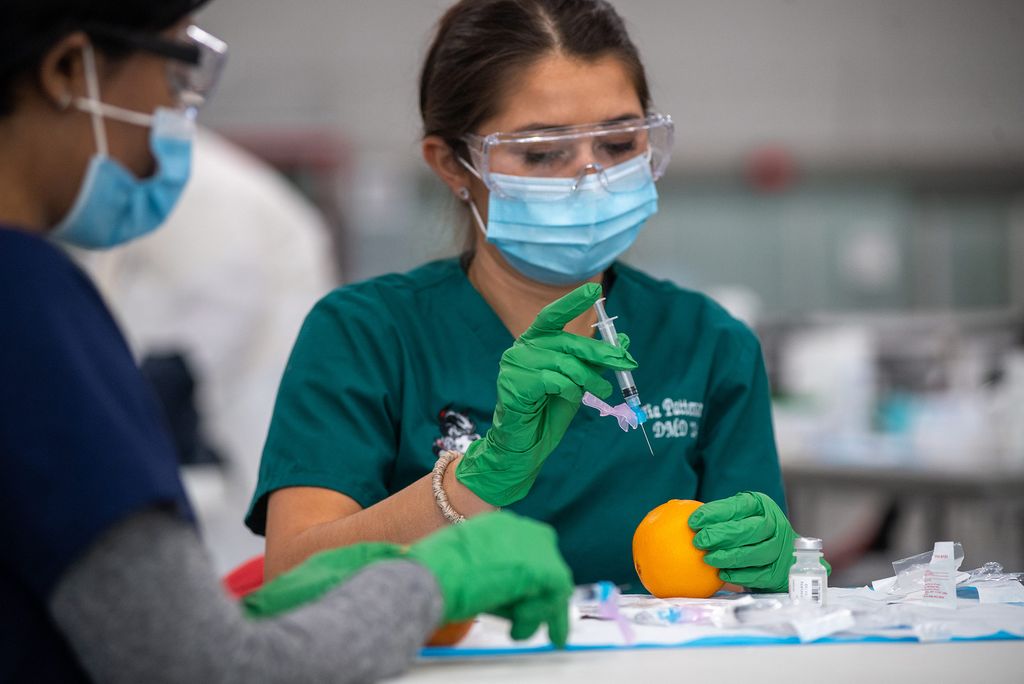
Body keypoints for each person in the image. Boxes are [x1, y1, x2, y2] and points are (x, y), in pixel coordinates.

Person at [0, 2, 573, 682]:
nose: (586, 178)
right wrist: (428, 581)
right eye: (179, 65)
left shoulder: (699, 334)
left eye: (620, 145)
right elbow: (199, 666)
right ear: (68, 69)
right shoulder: (30, 302)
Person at [251, 0, 817, 595]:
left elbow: (747, 596)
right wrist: (475, 480)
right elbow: (292, 577)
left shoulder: (708, 343)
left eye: (620, 144)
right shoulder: (364, 335)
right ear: (453, 163)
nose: (592, 178)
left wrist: (787, 572)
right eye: (543, 152)